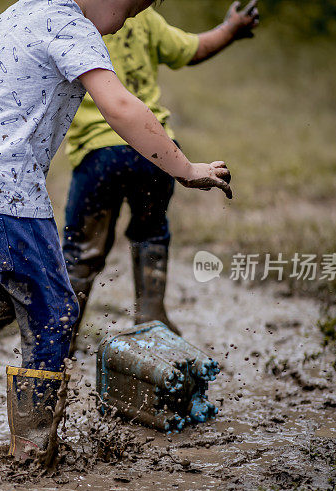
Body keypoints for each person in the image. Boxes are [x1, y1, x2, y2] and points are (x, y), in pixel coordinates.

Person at [0, 0, 232, 462]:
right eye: (136, 4)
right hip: (7, 201)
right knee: (56, 310)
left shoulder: (13, 14)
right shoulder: (74, 29)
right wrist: (183, 168)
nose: (136, 15)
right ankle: (33, 446)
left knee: (12, 287)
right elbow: (119, 106)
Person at [63, 1, 259, 352]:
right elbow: (192, 49)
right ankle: (151, 322)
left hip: (98, 154)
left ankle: (61, 337)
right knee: (151, 231)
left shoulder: (72, 20)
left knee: (82, 251)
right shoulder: (145, 18)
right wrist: (230, 28)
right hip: (155, 151)